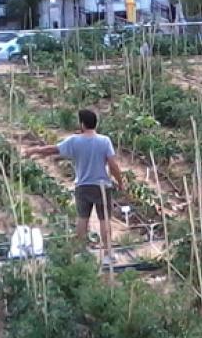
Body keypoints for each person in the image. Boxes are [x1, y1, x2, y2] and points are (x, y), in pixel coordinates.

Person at [23, 109, 125, 265]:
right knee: (104, 219)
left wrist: (34, 150)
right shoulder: (104, 141)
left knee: (82, 219)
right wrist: (120, 182)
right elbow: (113, 164)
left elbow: (53, 149)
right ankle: (107, 254)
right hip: (102, 186)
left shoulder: (74, 141)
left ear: (82, 124)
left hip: (83, 186)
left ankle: (81, 253)